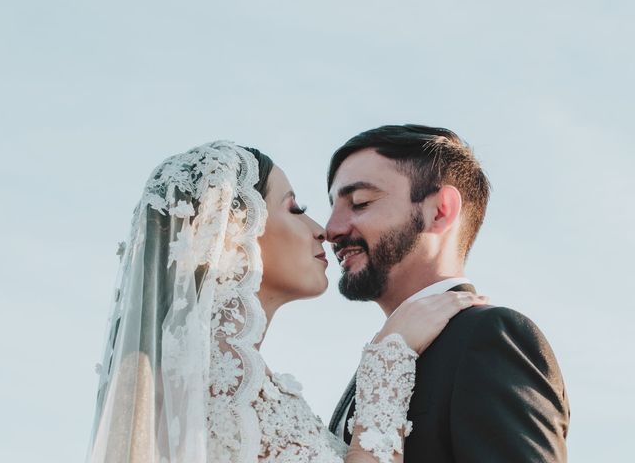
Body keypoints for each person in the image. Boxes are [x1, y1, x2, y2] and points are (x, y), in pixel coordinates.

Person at [86, 141, 484, 463]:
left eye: (360, 203)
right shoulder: (207, 391)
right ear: (231, 232)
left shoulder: (210, 384)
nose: (323, 231)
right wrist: (389, 358)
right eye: (296, 209)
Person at [326, 124, 570, 462]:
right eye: (333, 206)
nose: (331, 229)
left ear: (440, 211)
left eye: (360, 202)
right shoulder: (382, 358)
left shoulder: (489, 337)